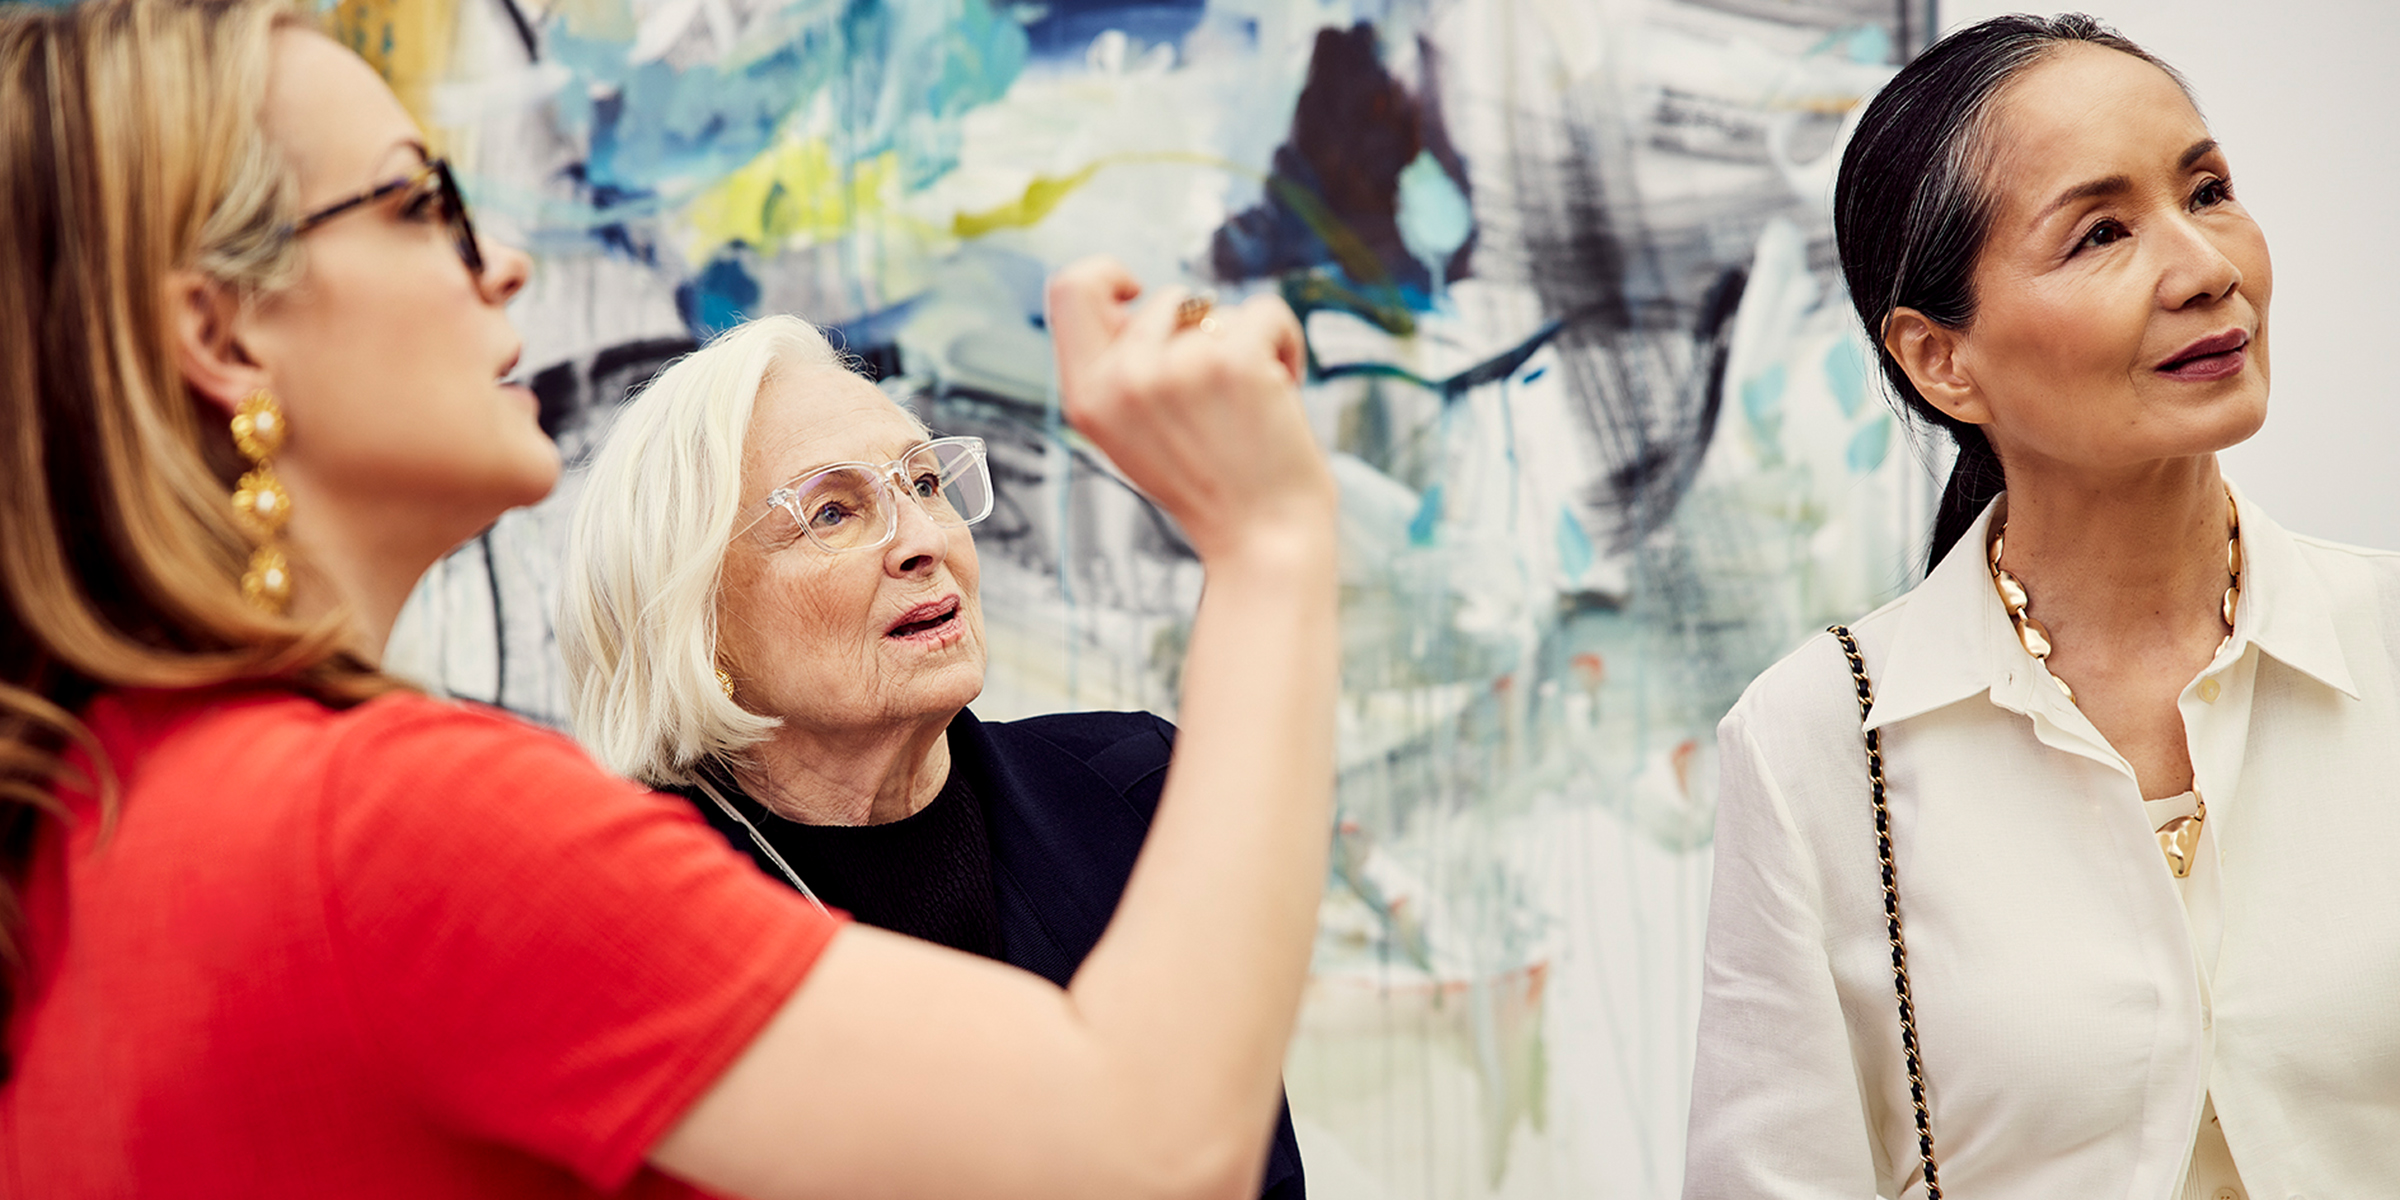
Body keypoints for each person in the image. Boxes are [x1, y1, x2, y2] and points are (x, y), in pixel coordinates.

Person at [0, 1, 1340, 1197]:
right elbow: (1150, 1147)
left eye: (930, 484)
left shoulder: (93, 818)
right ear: (225, 336)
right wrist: (1268, 536)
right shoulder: (388, 826)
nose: (507, 264)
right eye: (423, 206)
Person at [1684, 13, 2400, 1200]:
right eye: (2103, 232)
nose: (2208, 267)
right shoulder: (1817, 742)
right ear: (1940, 360)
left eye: (2209, 191)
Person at [556, 314, 1306, 1198]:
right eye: (833, 510)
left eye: (924, 481)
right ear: (699, 618)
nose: (925, 540)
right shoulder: (629, 920)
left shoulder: (1139, 789)